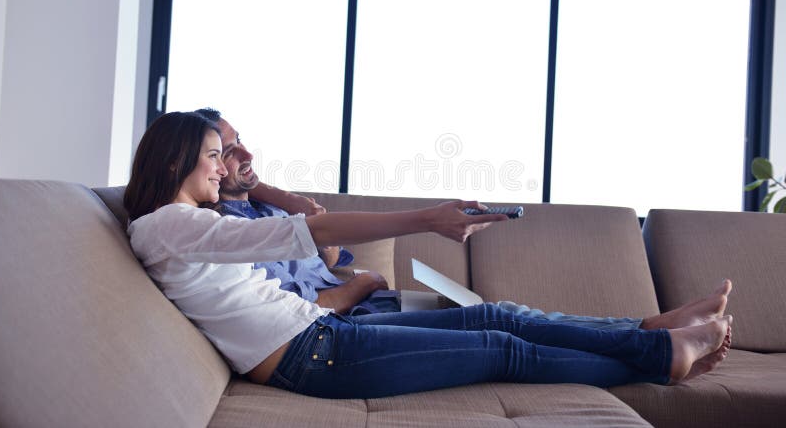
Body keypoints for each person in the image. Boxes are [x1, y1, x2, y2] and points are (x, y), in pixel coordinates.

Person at [124, 111, 731, 399]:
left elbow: (297, 235)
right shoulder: (167, 227)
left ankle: (651, 335)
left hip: (320, 333)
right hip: (315, 355)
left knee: (500, 317)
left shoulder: (185, 225)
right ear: (177, 162)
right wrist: (426, 217)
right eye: (212, 154)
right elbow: (305, 233)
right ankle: (660, 354)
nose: (221, 166)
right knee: (503, 347)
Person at [194, 107, 733, 332]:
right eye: (230, 151)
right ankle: (650, 333)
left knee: (502, 310)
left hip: (371, 303)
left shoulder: (262, 206)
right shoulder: (224, 233)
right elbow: (307, 303)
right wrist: (362, 285)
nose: (244, 156)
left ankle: (643, 327)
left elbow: (328, 251)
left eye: (242, 145)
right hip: (345, 322)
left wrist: (261, 185)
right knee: (497, 322)